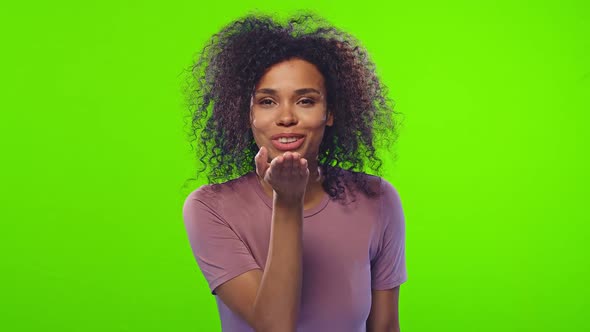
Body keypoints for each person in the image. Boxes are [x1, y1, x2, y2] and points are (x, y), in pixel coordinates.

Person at [182, 12, 407, 332]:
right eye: (267, 101)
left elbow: (385, 328)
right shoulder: (210, 207)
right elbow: (275, 326)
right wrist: (287, 201)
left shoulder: (377, 199)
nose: (286, 117)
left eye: (305, 100)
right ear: (248, 115)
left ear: (329, 113)